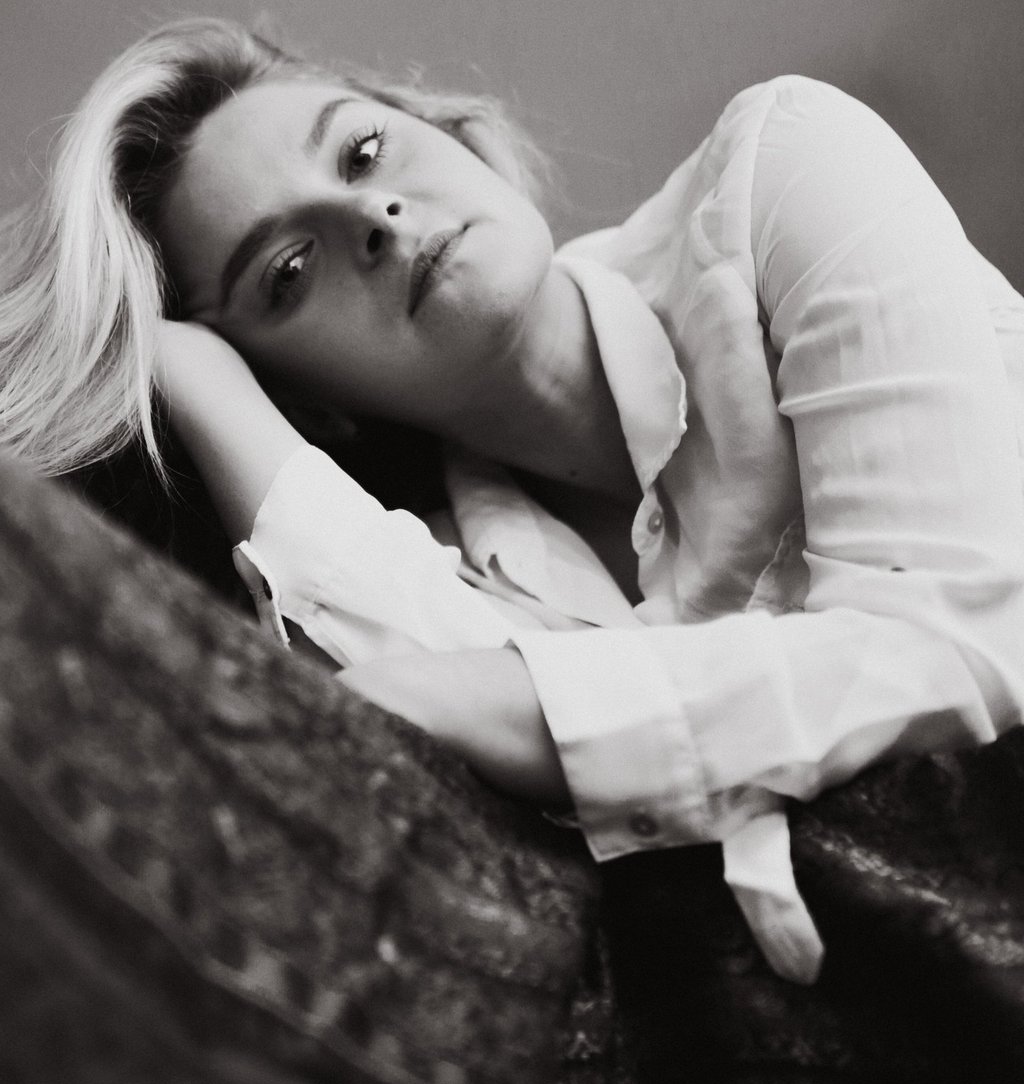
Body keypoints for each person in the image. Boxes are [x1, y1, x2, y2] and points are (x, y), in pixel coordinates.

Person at [2, 16, 1024, 984]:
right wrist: (194, 377)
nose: (371, 217)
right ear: (305, 400)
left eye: (361, 152)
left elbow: (955, 649)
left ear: (450, 134)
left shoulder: (783, 171)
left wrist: (470, 702)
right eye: (289, 271)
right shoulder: (450, 575)